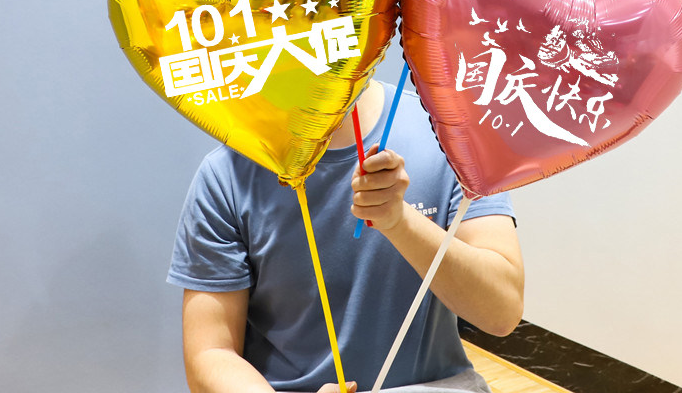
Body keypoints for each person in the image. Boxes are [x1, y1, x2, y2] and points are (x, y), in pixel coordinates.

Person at [168, 78, 524, 393]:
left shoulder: (449, 136)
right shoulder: (227, 172)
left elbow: (501, 312)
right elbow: (210, 352)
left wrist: (400, 222)